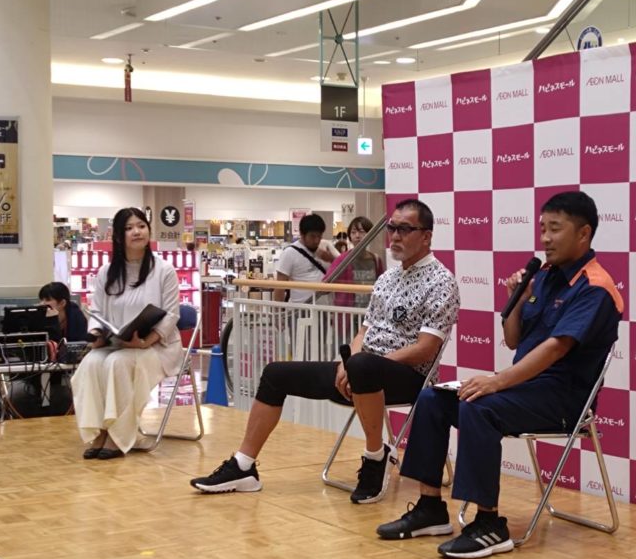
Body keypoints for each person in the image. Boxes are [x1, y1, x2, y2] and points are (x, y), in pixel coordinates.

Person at [376, 191, 623, 559]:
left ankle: (489, 525)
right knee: (431, 399)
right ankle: (430, 509)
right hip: (525, 389)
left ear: (583, 233)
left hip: (563, 400)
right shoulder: (544, 276)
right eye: (542, 228)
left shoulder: (595, 286)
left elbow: (555, 349)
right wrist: (518, 300)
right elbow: (514, 339)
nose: (545, 238)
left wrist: (496, 381)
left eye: (555, 229)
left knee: (479, 406)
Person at [190, 198, 460, 503]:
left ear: (426, 236)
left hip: (409, 378)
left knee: (364, 366)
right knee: (275, 374)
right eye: (392, 228)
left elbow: (426, 349)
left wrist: (364, 364)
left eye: (405, 229)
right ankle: (243, 466)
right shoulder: (387, 279)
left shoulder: (441, 282)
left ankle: (376, 455)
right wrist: (348, 363)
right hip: (361, 372)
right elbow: (363, 331)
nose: (395, 236)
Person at [72, 207, 182, 460]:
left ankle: (118, 435)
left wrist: (145, 341)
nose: (136, 232)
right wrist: (97, 334)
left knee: (118, 363)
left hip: (157, 346)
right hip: (117, 343)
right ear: (119, 236)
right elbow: (97, 310)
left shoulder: (164, 270)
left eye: (141, 226)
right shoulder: (106, 272)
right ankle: (99, 430)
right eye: (129, 228)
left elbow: (171, 314)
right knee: (91, 363)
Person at [324, 216, 385, 308]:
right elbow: (326, 283)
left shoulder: (376, 260)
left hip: (370, 311)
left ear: (370, 233)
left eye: (362, 232)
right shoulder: (342, 259)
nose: (357, 235)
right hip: (348, 312)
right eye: (353, 232)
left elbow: (382, 286)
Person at [274, 213, 328, 303]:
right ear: (302, 234)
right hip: (300, 309)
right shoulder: (289, 253)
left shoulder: (324, 251)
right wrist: (278, 310)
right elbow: (279, 287)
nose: (316, 240)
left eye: (319, 236)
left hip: (323, 308)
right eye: (312, 236)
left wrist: (330, 258)